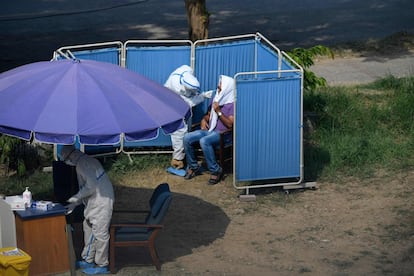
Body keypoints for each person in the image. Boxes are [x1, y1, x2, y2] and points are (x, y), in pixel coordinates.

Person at [60, 145, 114, 275]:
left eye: (66, 159)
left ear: (70, 156)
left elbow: (91, 186)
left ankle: (102, 264)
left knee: (100, 234)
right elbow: (87, 187)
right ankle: (88, 259)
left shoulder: (82, 164)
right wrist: (75, 203)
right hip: (95, 201)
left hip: (102, 202)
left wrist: (75, 198)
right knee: (88, 228)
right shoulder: (87, 161)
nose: (67, 162)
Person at [183, 75, 235, 185]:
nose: (218, 86)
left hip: (223, 135)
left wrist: (218, 111)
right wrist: (203, 119)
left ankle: (215, 170)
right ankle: (193, 166)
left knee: (204, 141)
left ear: (227, 87)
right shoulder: (216, 98)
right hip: (210, 130)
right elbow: (209, 115)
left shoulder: (232, 104)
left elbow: (230, 125)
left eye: (220, 85)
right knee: (187, 137)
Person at [164, 65, 212, 170]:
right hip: (172, 106)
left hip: (181, 108)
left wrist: (198, 94)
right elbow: (189, 103)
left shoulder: (187, 71)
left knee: (185, 132)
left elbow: (191, 93)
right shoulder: (175, 86)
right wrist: (202, 97)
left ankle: (182, 158)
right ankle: (177, 160)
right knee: (180, 132)